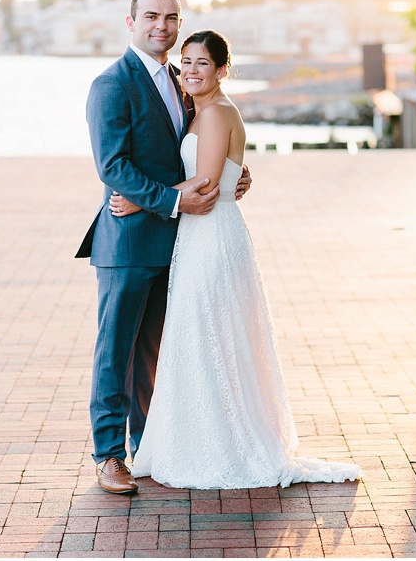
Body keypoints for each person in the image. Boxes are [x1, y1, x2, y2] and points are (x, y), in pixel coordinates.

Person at [110, 29, 362, 489]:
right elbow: (217, 174)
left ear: (223, 69)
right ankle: (202, 435)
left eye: (201, 63)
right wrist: (234, 177)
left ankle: (220, 444)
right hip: (204, 234)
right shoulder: (202, 110)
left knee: (208, 335)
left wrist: (138, 199)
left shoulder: (215, 114)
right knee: (205, 338)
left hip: (211, 236)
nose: (189, 70)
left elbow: (204, 185)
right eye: (185, 62)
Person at [77, 0, 250, 495]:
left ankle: (147, 447)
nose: (163, 26)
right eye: (151, 16)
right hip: (128, 241)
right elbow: (113, 166)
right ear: (130, 22)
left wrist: (235, 174)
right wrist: (172, 200)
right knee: (116, 351)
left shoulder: (181, 81)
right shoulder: (111, 84)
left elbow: (200, 143)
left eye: (171, 18)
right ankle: (109, 456)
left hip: (180, 243)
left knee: (154, 352)